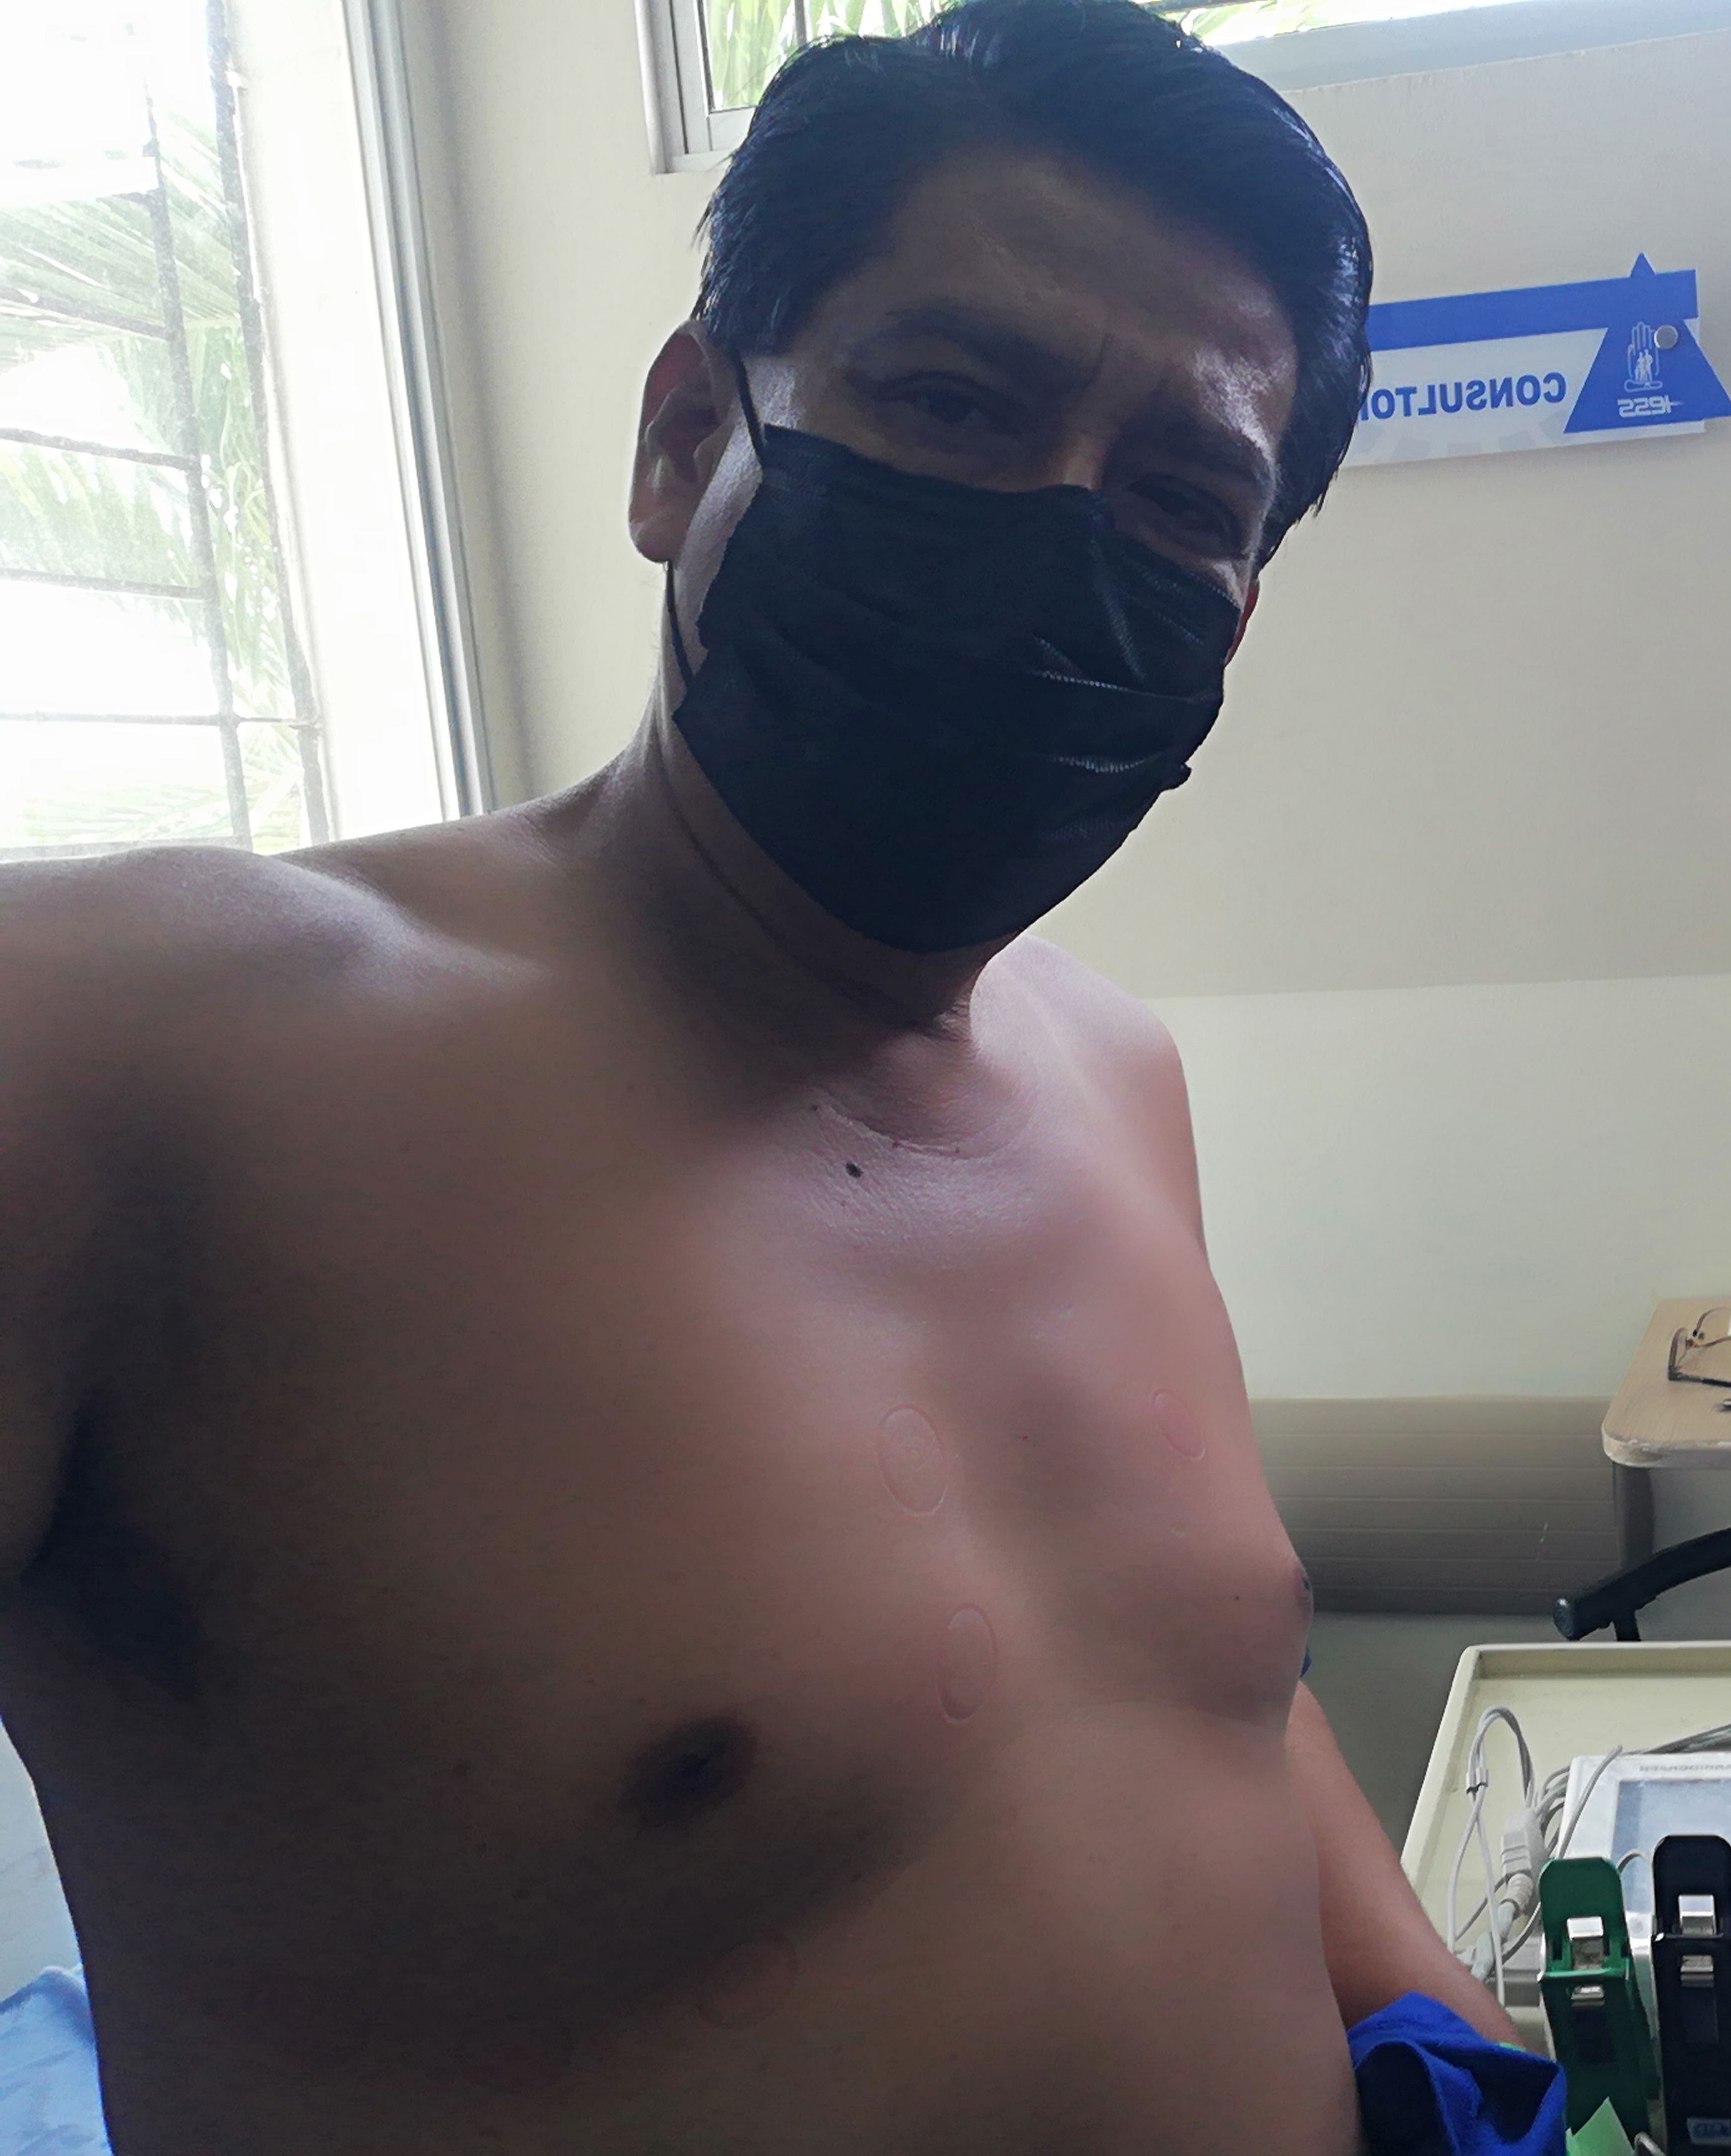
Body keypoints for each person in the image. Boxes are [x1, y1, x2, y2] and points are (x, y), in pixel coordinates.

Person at [0, 4, 1543, 2149]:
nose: (1057, 532)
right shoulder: (117, 1052)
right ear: (680, 443)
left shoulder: (1116, 1073)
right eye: (954, 401)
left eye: (1184, 495)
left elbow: (1190, 1694)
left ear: (1237, 605)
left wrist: (1498, 2072)